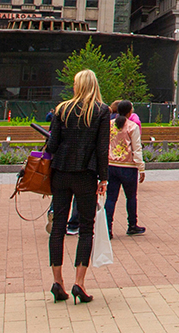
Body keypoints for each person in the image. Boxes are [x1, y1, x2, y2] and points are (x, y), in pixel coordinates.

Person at [44, 69, 109, 304]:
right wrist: (103, 178)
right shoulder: (101, 111)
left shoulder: (62, 109)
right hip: (86, 175)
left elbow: (52, 144)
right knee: (85, 228)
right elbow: (102, 149)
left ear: (77, 85)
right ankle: (79, 283)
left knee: (58, 226)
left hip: (60, 173)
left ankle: (57, 280)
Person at [105, 99, 146, 239]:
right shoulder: (132, 126)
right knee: (131, 197)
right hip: (128, 166)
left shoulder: (110, 125)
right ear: (129, 112)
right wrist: (141, 168)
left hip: (111, 165)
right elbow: (137, 148)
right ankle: (132, 225)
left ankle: (107, 227)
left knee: (110, 198)